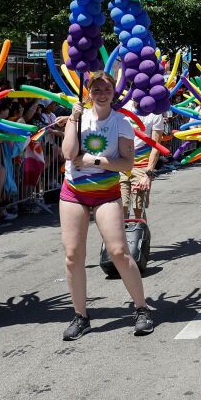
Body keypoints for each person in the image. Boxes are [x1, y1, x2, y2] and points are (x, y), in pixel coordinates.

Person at [58, 72, 154, 340]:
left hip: (106, 192)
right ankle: (81, 316)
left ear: (114, 92)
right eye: (96, 89)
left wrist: (95, 161)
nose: (101, 93)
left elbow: (126, 164)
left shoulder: (120, 123)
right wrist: (74, 119)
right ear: (88, 91)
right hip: (74, 192)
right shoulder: (78, 118)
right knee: (73, 255)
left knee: (119, 251)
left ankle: (141, 308)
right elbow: (67, 153)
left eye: (107, 89)